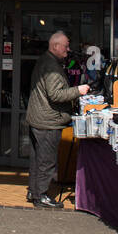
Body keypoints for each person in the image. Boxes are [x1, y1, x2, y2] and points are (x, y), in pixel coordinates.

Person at [25, 31, 90, 209]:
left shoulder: (45, 60)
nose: (68, 50)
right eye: (66, 46)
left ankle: (34, 191)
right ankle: (41, 196)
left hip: (38, 118)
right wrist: (79, 90)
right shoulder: (52, 66)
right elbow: (55, 94)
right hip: (47, 121)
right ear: (55, 46)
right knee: (46, 161)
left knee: (37, 159)